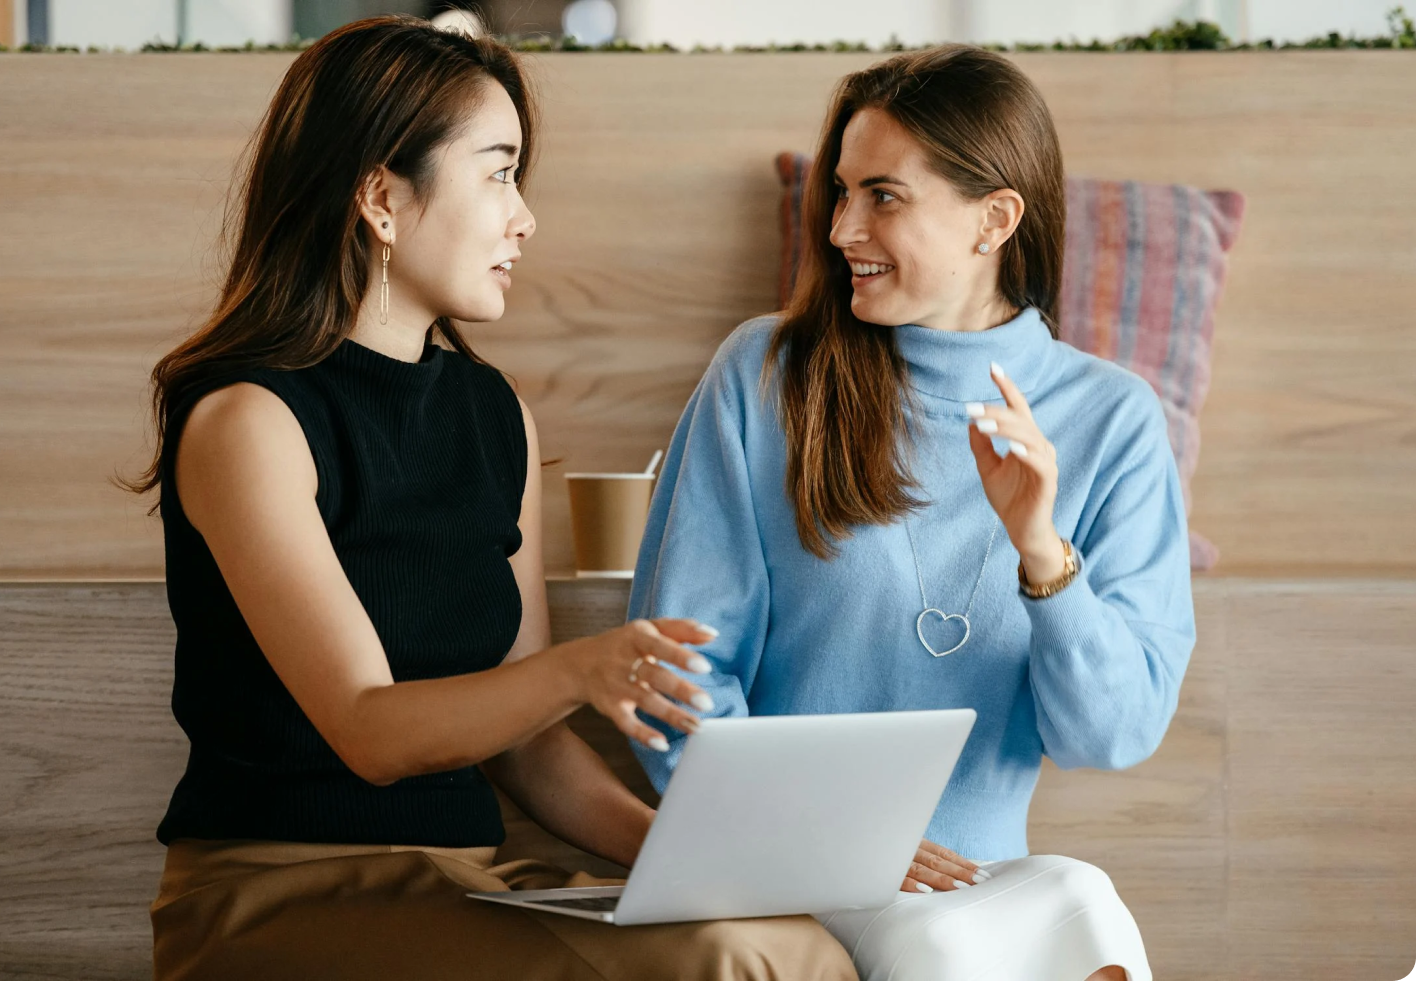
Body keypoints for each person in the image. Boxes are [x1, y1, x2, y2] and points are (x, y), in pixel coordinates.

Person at [124, 16, 856, 981]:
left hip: (464, 883)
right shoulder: (249, 421)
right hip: (276, 892)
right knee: (726, 962)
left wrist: (718, 863)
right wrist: (582, 669)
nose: (526, 217)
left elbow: (531, 750)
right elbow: (369, 728)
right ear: (382, 197)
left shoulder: (493, 412)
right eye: (499, 172)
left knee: (792, 942)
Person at [629, 44, 1197, 981]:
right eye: (840, 191)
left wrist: (1041, 553)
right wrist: (826, 842)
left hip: (981, 873)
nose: (843, 226)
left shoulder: (1114, 419)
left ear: (995, 219)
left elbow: (1113, 731)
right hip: (789, 868)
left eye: (883, 196)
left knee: (1085, 899)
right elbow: (674, 680)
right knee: (946, 943)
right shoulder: (766, 375)